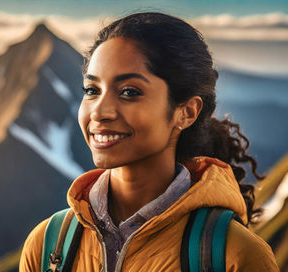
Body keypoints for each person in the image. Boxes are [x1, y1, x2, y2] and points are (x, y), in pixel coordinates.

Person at [19, 12, 279, 271]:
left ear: (187, 112)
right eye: (92, 91)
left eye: (129, 92)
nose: (99, 111)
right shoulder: (47, 246)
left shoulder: (237, 256)